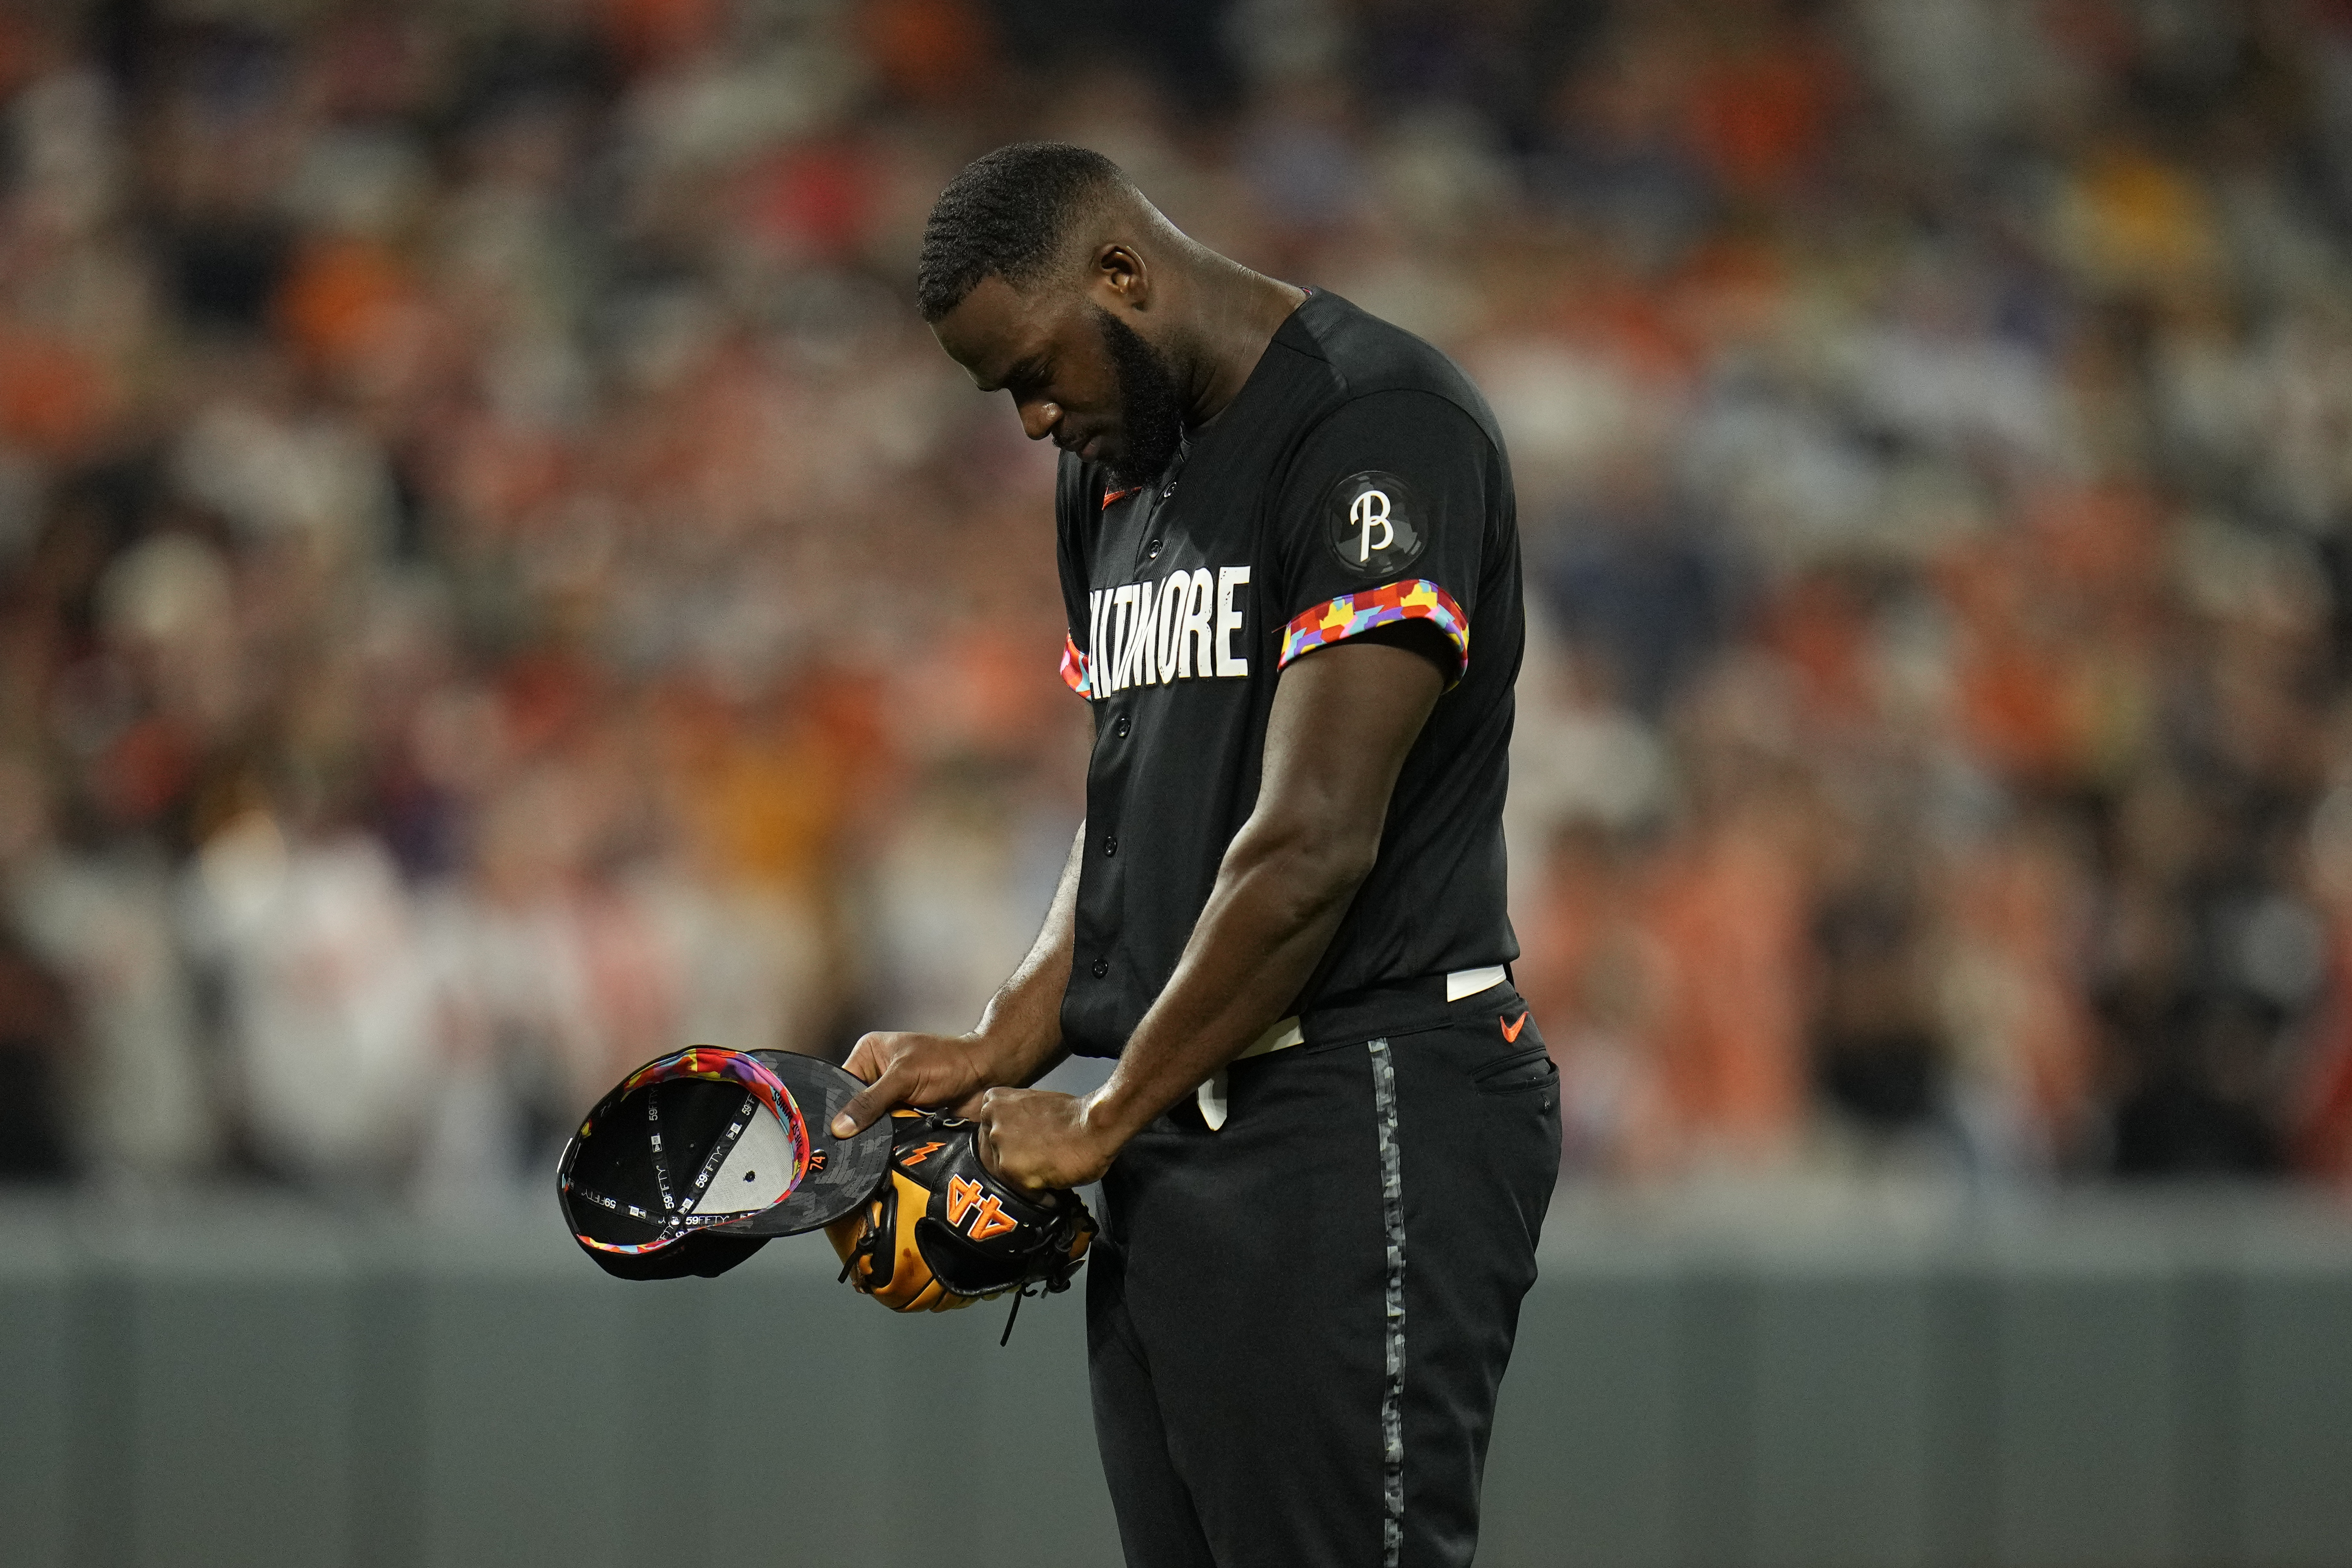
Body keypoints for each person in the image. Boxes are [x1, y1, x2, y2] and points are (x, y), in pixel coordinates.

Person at [832, 142, 1560, 1568]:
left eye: (1038, 370)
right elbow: (1130, 800)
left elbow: (1311, 842)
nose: (1036, 417)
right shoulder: (1114, 472)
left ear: (1123, 273)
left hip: (1367, 1098)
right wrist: (1008, 1036)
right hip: (1187, 1119)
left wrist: (1101, 1118)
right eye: (1007, 395)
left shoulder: (1376, 423)